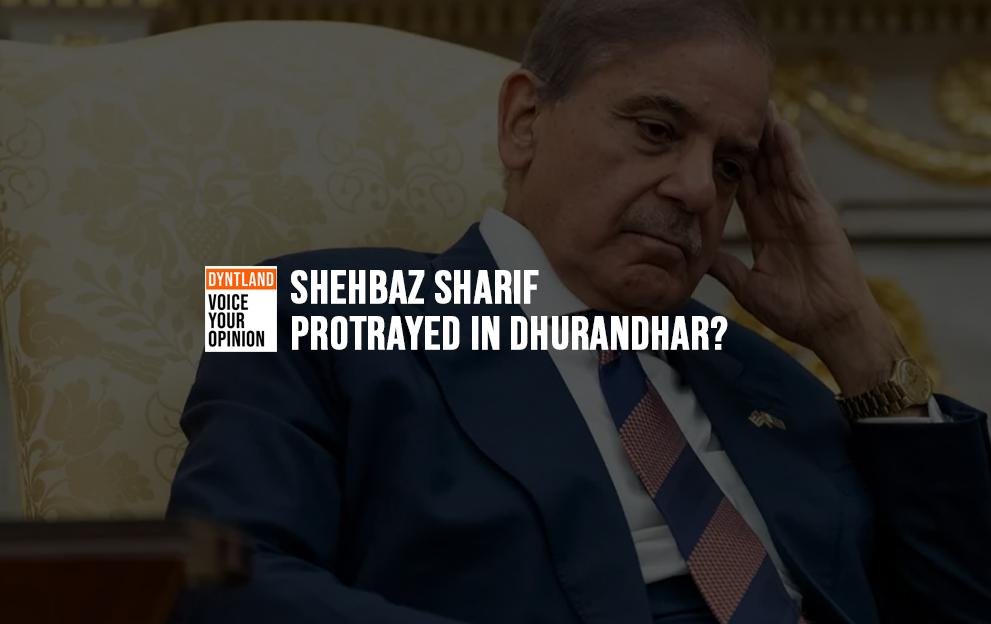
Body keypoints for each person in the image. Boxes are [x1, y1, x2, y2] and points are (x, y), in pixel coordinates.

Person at [165, 1, 991, 622]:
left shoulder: (762, 376)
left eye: (730, 166)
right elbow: (215, 580)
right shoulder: (278, 301)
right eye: (657, 130)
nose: (697, 190)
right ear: (524, 121)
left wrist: (854, 335)